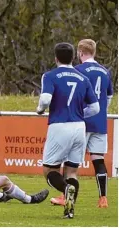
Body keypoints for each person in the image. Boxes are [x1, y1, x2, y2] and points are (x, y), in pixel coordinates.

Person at [36, 42, 99, 218]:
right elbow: (95, 109)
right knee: (71, 171)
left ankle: (66, 189)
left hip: (59, 125)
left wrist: (40, 109)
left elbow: (46, 99)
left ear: (56, 58)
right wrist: (78, 114)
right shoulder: (83, 78)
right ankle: (69, 211)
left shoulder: (50, 76)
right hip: (79, 127)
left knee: (49, 170)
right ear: (73, 57)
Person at [50, 39, 114, 208]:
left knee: (71, 163)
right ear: (94, 52)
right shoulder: (105, 71)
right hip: (100, 122)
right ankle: (103, 198)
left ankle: (65, 195)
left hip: (81, 121)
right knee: (98, 160)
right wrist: (101, 112)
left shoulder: (77, 71)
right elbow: (109, 97)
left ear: (80, 53)